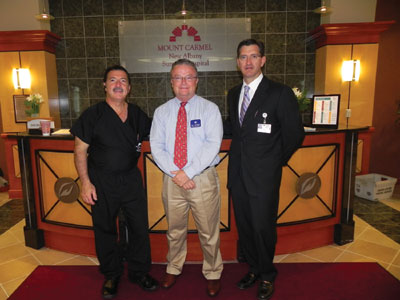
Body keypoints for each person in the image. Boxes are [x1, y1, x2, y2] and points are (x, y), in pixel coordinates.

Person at [71, 65, 158, 299]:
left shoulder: (138, 114)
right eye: (113, 80)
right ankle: (111, 273)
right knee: (105, 228)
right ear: (105, 85)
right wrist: (85, 183)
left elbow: (158, 136)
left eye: (123, 81)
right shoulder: (92, 115)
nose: (118, 84)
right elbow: (79, 152)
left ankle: (139, 272)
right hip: (101, 180)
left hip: (131, 179)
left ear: (129, 88)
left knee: (139, 227)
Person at [227, 39, 305, 300]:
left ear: (263, 60)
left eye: (253, 56)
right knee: (246, 227)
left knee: (263, 227)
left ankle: (267, 275)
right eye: (243, 57)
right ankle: (253, 268)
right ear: (237, 62)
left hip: (264, 177)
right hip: (238, 175)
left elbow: (295, 135)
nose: (248, 62)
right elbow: (237, 133)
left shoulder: (279, 93)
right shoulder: (232, 94)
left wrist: (273, 162)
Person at [150, 59, 224, 297]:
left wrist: (188, 173)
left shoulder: (210, 109)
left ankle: (213, 272)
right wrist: (177, 173)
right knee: (175, 229)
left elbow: (212, 145)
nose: (183, 82)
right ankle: (173, 267)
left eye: (188, 77)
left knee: (208, 231)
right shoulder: (162, 112)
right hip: (172, 180)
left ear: (197, 81)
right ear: (171, 82)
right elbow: (157, 147)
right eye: (178, 77)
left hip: (201, 179)